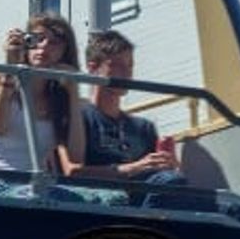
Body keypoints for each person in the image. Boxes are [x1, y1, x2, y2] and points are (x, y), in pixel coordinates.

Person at [0, 14, 84, 187]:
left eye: (54, 42)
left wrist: (73, 92)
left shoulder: (58, 98)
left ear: (64, 53)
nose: (43, 46)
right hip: (2, 184)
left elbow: (76, 156)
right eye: (37, 39)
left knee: (113, 199)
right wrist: (11, 66)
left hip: (40, 187)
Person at [76, 30, 186, 186]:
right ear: (93, 68)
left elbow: (163, 174)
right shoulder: (79, 118)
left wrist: (172, 164)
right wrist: (135, 168)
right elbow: (73, 172)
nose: (127, 73)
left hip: (144, 198)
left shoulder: (144, 128)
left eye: (130, 65)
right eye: (117, 65)